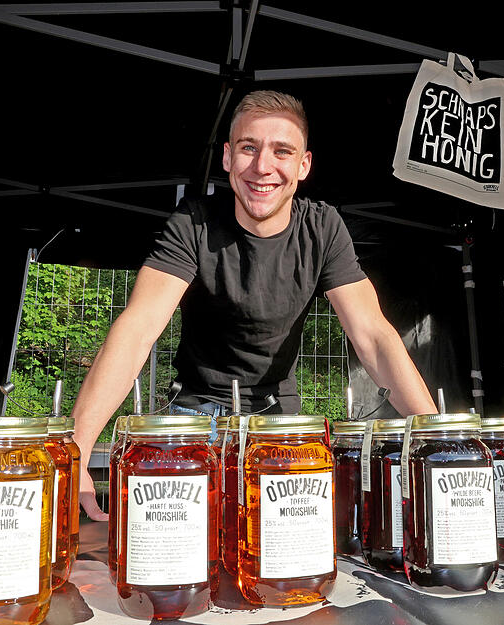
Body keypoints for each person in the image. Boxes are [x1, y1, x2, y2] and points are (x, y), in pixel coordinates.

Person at [72, 90, 438, 521]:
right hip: (195, 415)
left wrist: (436, 436)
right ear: (227, 157)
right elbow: (138, 329)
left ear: (303, 165)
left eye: (282, 151)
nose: (263, 167)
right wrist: (75, 449)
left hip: (277, 420)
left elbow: (373, 337)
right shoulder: (193, 223)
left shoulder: (323, 228)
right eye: (249, 147)